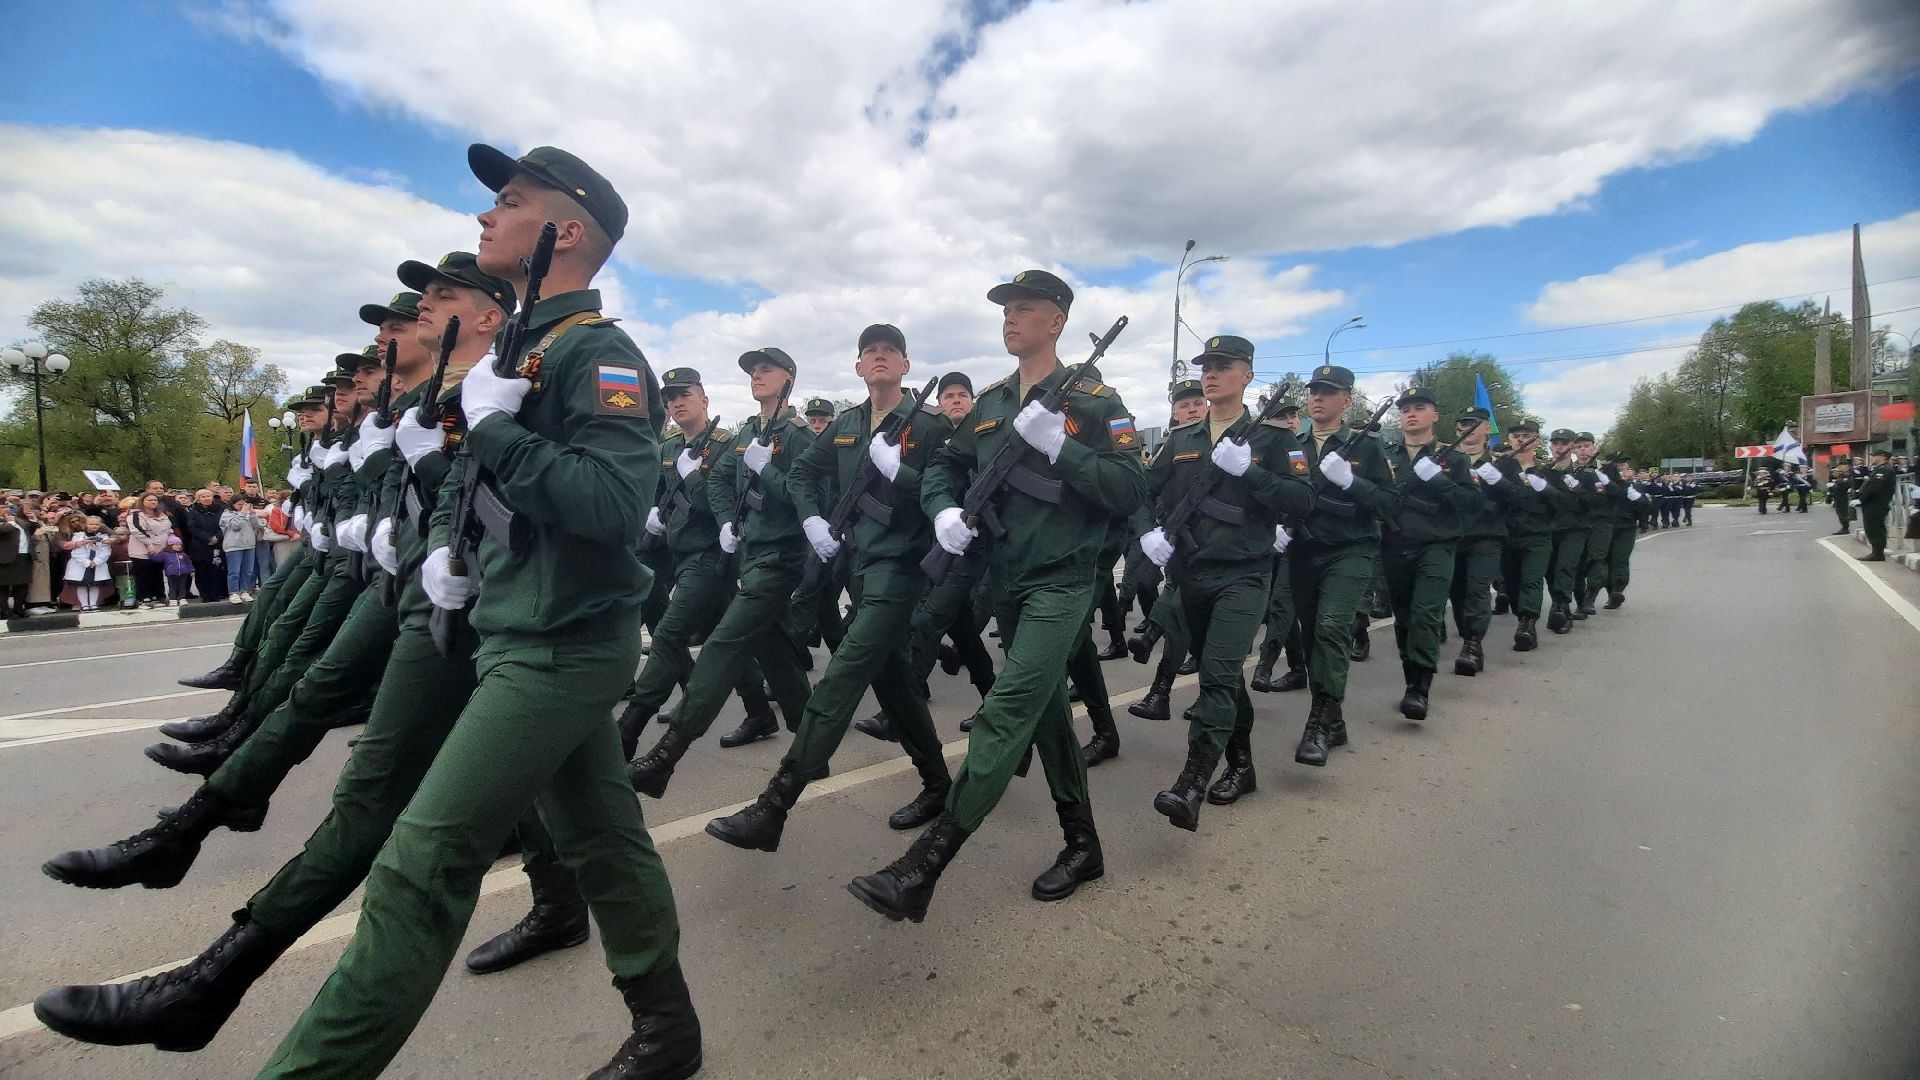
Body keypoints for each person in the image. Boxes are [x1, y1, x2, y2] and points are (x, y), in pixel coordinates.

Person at [251, 143, 700, 1077]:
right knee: (601, 838)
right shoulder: (519, 350)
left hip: (566, 644)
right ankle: (668, 1028)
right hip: (513, 628)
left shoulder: (598, 354)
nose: (485, 218)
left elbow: (618, 509)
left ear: (565, 232)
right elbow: (477, 489)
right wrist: (448, 541)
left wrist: (492, 425)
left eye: (509, 201)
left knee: (422, 862)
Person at [848, 268, 1145, 923]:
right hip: (1003, 581)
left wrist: (1064, 450)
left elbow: (1130, 491)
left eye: (1024, 309)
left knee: (1006, 710)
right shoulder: (989, 403)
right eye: (1006, 309)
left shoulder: (1097, 402)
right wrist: (944, 511)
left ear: (1057, 321)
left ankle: (923, 868)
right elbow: (945, 469)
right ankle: (1083, 845)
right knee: (1041, 717)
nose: (1010, 319)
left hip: (1063, 584)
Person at [705, 322, 956, 852]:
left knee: (841, 677)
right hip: (859, 566)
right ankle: (938, 784)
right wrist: (813, 521)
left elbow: (947, 489)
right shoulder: (845, 423)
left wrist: (902, 475)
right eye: (871, 352)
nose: (880, 357)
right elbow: (801, 475)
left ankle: (776, 803)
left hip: (901, 568)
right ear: (858, 368)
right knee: (896, 685)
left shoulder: (929, 424)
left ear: (906, 366)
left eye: (891, 351)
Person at [1131, 334, 1312, 827]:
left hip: (1244, 575)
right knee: (1226, 677)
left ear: (1247, 374)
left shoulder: (1275, 439)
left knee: (1215, 674)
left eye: (1223, 365)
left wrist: (1251, 473)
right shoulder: (1184, 439)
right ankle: (1243, 765)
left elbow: (1302, 500)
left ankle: (1192, 780)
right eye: (1206, 365)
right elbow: (1142, 492)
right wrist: (1148, 534)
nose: (1210, 373)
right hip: (1191, 575)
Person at [626, 345, 817, 796]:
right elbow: (717, 482)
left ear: (790, 377)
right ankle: (812, 747)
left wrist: (765, 472)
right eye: (752, 371)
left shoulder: (798, 434)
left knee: (717, 647)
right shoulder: (749, 432)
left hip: (779, 559)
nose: (757, 376)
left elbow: (804, 496)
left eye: (766, 370)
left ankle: (657, 752)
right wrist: (727, 518)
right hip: (746, 558)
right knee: (774, 655)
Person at [1288, 364, 1396, 766]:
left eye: (1329, 391)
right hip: (1303, 550)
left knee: (1333, 628)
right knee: (1313, 634)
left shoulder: (1365, 446)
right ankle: (1333, 718)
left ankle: (1318, 722)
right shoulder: (1294, 443)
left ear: (1346, 400)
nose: (1318, 397)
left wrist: (1353, 483)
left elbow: (1390, 504)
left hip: (1350, 550)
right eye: (1314, 390)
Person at [1379, 388, 1475, 721]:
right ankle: (1411, 677)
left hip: (1436, 546)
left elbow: (1472, 504)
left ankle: (1419, 687)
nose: (1411, 414)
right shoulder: (1386, 455)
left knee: (1425, 614)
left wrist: (1439, 482)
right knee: (1404, 617)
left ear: (1435, 415)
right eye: (1405, 409)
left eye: (1420, 408)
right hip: (1394, 544)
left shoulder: (1454, 458)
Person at [61, 517, 115, 612]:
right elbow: (76, 552)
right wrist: (87, 562)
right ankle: (84, 604)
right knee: (82, 585)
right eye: (91, 524)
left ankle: (93, 604)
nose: (94, 526)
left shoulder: (104, 537)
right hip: (81, 564)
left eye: (96, 524)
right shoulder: (78, 536)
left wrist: (96, 561)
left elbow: (106, 551)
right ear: (86, 525)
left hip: (97, 564)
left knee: (95, 585)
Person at [182, 489, 227, 602]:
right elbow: (192, 527)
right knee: (201, 571)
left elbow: (224, 525)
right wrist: (207, 538)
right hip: (200, 545)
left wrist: (217, 537)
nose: (206, 498)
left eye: (208, 496)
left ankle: (215, 593)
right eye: (203, 496)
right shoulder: (193, 511)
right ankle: (205, 594)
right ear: (198, 499)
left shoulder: (220, 510)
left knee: (216, 570)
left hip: (217, 544)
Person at [1853, 448, 1897, 561]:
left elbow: (1874, 487)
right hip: (1873, 503)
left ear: (1881, 456)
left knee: (1874, 527)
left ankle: (1877, 553)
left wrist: (1861, 498)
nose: (1872, 458)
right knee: (1873, 527)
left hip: (1876, 504)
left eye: (1874, 456)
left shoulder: (1884, 470)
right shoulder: (1880, 469)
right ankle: (1876, 552)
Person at [222, 495, 262, 601]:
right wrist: (243, 513)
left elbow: (255, 526)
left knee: (248, 571)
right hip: (233, 546)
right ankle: (233, 593)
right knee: (234, 571)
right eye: (239, 504)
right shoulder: (227, 514)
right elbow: (235, 525)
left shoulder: (248, 514)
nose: (241, 506)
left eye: (243, 504)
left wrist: (252, 514)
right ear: (233, 504)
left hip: (249, 545)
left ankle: (244, 591)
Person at [0, 503, 33, 618]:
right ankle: (4, 610)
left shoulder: (20, 521)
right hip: (6, 558)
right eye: (2, 509)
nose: (5, 511)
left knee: (23, 584)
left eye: (7, 509)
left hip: (24, 555)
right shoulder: (9, 523)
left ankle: (18, 608)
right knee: (4, 585)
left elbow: (33, 525)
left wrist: (17, 519)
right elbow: (4, 529)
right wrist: (11, 521)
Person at [157, 535, 196, 605]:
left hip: (183, 573)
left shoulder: (183, 554)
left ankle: (182, 598)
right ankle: (173, 599)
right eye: (176, 545)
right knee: (172, 586)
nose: (179, 546)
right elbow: (157, 558)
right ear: (170, 545)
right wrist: (151, 554)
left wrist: (192, 570)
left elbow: (188, 562)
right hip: (171, 573)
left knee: (182, 586)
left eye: (180, 545)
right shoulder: (166, 554)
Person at [1826, 457, 1855, 535]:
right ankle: (1843, 527)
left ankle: (1845, 528)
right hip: (1838, 497)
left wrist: (1837, 481)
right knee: (1839, 513)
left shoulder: (1848, 474)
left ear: (1847, 466)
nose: (1839, 467)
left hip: (1844, 497)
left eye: (1842, 466)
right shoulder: (1841, 475)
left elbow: (1847, 484)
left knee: (1843, 513)